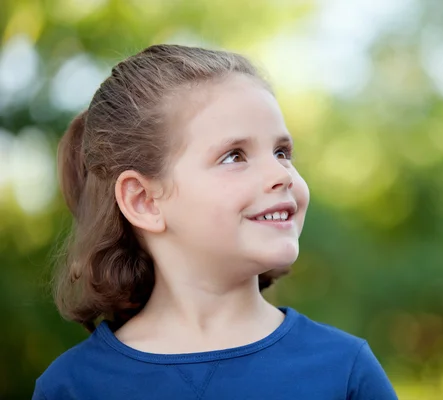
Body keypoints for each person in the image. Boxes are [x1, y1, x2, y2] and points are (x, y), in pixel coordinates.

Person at [32, 44, 398, 400]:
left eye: (281, 152)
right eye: (234, 156)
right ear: (144, 201)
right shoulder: (74, 387)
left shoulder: (343, 369)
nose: (282, 174)